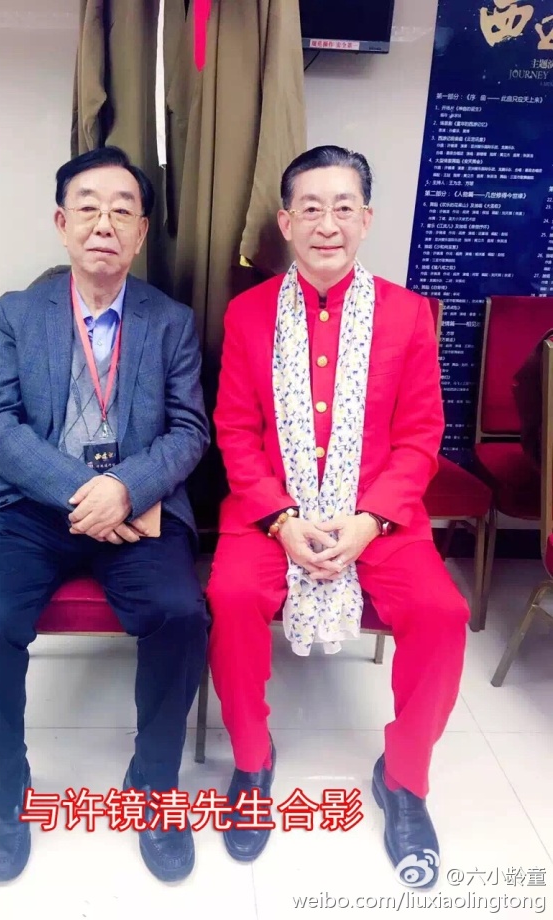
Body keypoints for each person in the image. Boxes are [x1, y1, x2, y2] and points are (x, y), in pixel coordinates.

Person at [0, 146, 210, 884]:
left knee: (182, 614)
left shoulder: (171, 322)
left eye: (123, 210)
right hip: (29, 506)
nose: (104, 224)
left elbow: (190, 430)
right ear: (61, 224)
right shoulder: (16, 314)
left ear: (142, 232)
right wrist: (84, 491)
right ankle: (6, 786)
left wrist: (125, 488)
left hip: (136, 510)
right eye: (87, 208)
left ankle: (154, 784)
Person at [206, 145, 469, 889]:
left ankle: (405, 778)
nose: (328, 224)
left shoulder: (408, 314)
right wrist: (281, 519)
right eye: (312, 208)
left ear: (367, 219)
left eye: (344, 207)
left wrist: (369, 520)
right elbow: (235, 431)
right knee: (229, 597)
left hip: (378, 517)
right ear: (286, 222)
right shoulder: (248, 313)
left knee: (444, 613)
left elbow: (421, 436)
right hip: (269, 512)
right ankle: (252, 763)